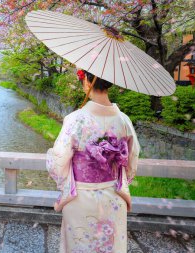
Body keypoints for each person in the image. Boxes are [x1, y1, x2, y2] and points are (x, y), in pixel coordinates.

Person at [46, 69, 140, 253]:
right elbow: (132, 160)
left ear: (88, 82)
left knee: (80, 246)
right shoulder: (124, 120)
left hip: (81, 197)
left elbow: (58, 161)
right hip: (114, 196)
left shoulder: (76, 119)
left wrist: (65, 182)